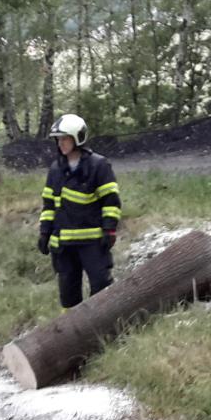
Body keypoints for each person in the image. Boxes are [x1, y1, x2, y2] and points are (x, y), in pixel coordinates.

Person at [37, 113, 122, 309]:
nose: (61, 143)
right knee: (68, 295)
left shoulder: (99, 165)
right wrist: (44, 232)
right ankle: (72, 328)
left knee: (101, 288)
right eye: (58, 139)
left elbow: (110, 201)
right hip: (64, 245)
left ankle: (104, 323)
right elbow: (49, 205)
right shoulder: (55, 169)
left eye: (65, 139)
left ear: (78, 138)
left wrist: (109, 229)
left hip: (92, 242)